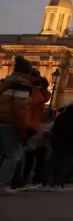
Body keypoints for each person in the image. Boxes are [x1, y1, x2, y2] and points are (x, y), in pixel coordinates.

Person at [0, 56, 36, 195]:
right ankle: (2, 183)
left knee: (2, 152)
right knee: (13, 154)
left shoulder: (6, 81)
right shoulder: (21, 84)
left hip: (1, 121)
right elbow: (20, 108)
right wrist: (22, 126)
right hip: (11, 122)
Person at [46, 99, 73, 189]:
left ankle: (47, 181)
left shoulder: (62, 116)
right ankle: (60, 182)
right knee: (66, 163)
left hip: (59, 141)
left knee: (54, 160)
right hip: (72, 143)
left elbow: (55, 129)